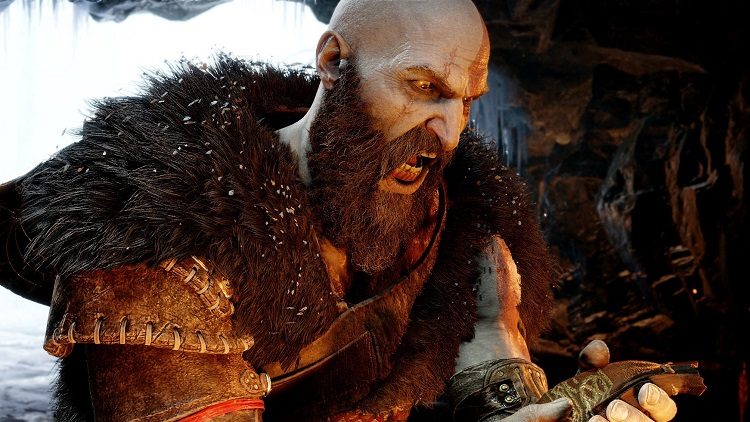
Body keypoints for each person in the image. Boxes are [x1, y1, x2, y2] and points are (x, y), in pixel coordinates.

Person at [0, 0, 684, 421]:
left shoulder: (452, 228)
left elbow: (487, 372)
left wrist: (542, 407)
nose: (449, 131)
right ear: (333, 60)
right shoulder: (155, 235)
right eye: (423, 86)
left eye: (467, 100)